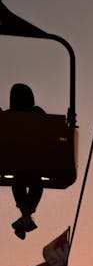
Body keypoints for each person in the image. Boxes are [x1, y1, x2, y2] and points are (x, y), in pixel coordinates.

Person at [9, 83, 46, 239]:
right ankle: (26, 216)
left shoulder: (11, 115)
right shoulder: (37, 112)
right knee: (36, 182)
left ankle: (25, 217)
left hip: (16, 159)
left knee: (17, 180)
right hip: (36, 159)